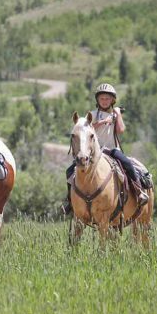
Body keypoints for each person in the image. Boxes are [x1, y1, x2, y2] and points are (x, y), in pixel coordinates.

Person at [61, 83, 149, 215]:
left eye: (107, 98)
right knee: (70, 171)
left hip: (112, 149)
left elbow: (120, 130)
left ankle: (138, 192)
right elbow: (86, 130)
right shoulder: (92, 115)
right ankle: (70, 200)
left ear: (112, 100)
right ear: (97, 100)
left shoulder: (115, 114)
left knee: (127, 164)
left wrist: (117, 115)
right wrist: (104, 121)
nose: (104, 101)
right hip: (94, 151)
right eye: (102, 98)